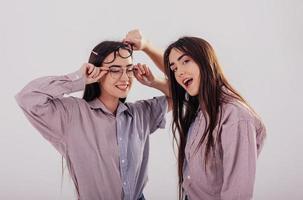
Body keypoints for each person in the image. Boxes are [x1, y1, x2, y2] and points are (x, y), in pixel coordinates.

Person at [15, 38, 172, 200]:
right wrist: (78, 79)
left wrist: (151, 71)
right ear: (98, 72)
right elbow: (27, 98)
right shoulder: (72, 115)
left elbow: (184, 94)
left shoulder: (140, 113)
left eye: (129, 69)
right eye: (115, 70)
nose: (125, 78)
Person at [125, 30, 266, 200]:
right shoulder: (201, 106)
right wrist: (151, 70)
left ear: (206, 62)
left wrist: (146, 45)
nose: (179, 72)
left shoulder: (235, 117)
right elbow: (178, 91)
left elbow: (237, 193)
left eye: (186, 61)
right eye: (174, 68)